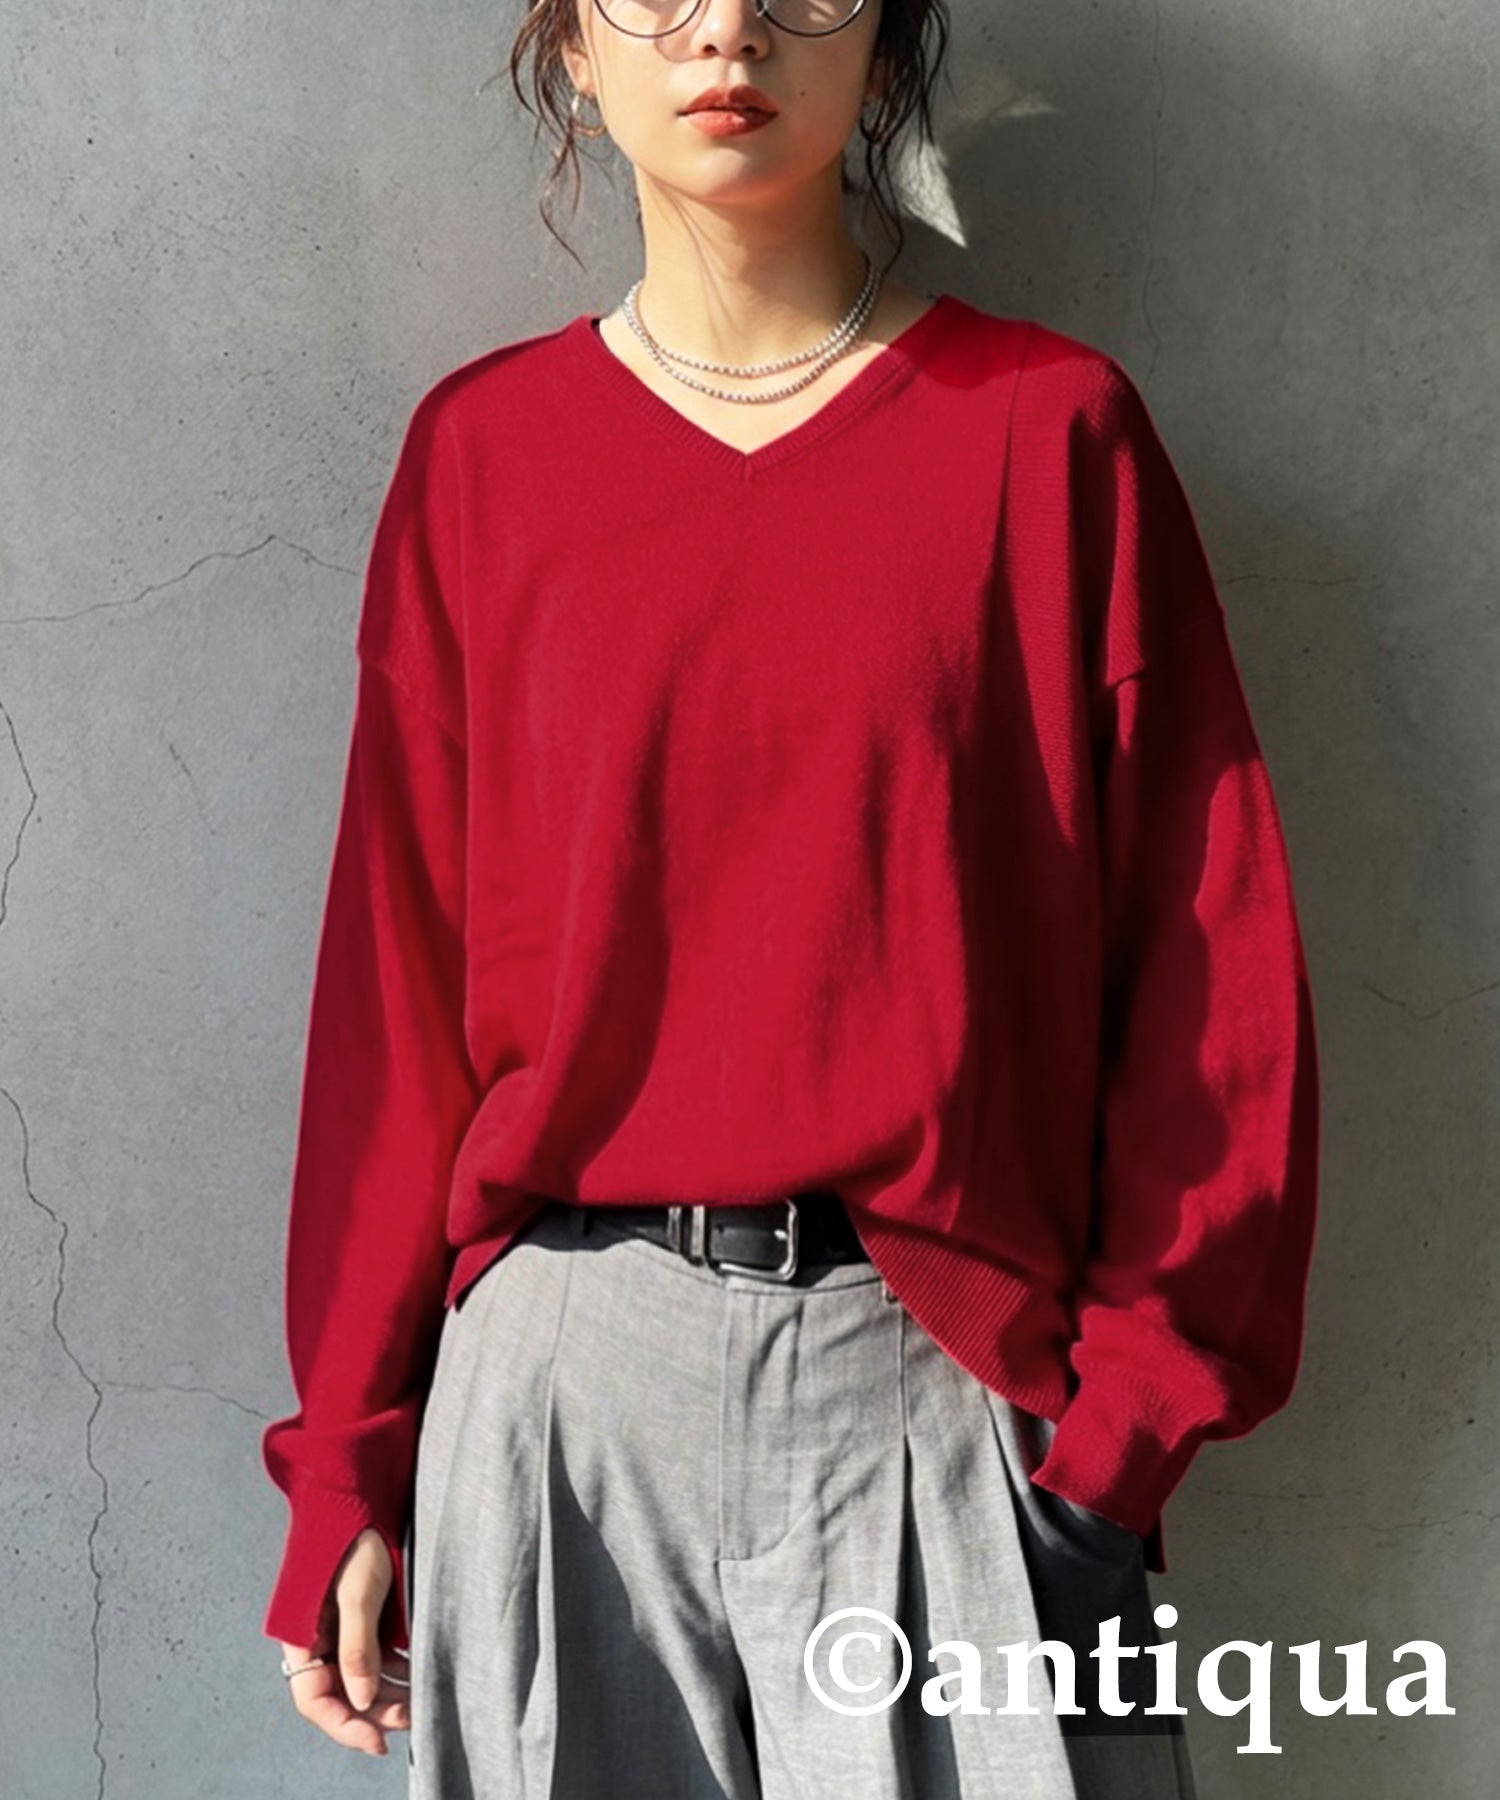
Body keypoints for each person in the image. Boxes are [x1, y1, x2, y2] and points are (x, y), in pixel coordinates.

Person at [259, 0, 1320, 1794]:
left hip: (953, 1395)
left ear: (887, 38)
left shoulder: (1052, 436)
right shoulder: (485, 457)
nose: (729, 28)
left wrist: (1107, 1457)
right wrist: (352, 1461)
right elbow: (396, 997)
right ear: (570, 45)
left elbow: (1214, 988)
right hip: (562, 1418)